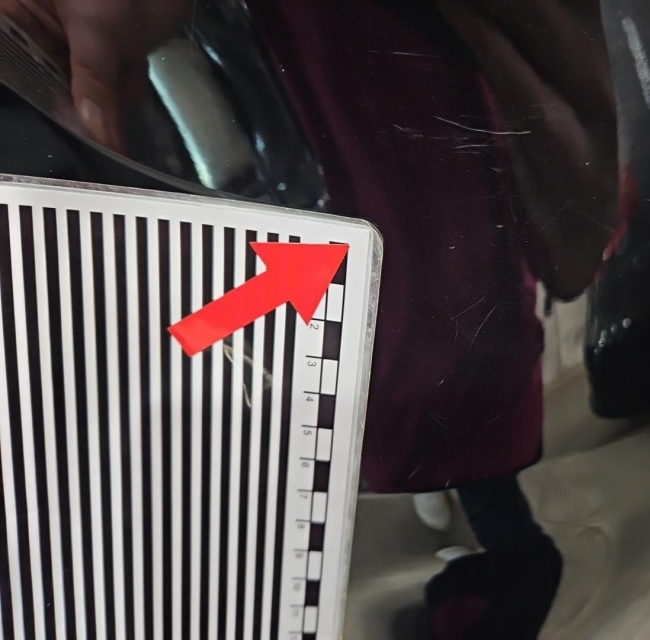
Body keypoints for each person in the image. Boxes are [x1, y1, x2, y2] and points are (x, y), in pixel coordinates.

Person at [2, 1, 617, 637]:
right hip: (322, 71)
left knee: (434, 300)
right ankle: (504, 544)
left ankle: (515, 551)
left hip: (373, 63)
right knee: (417, 303)